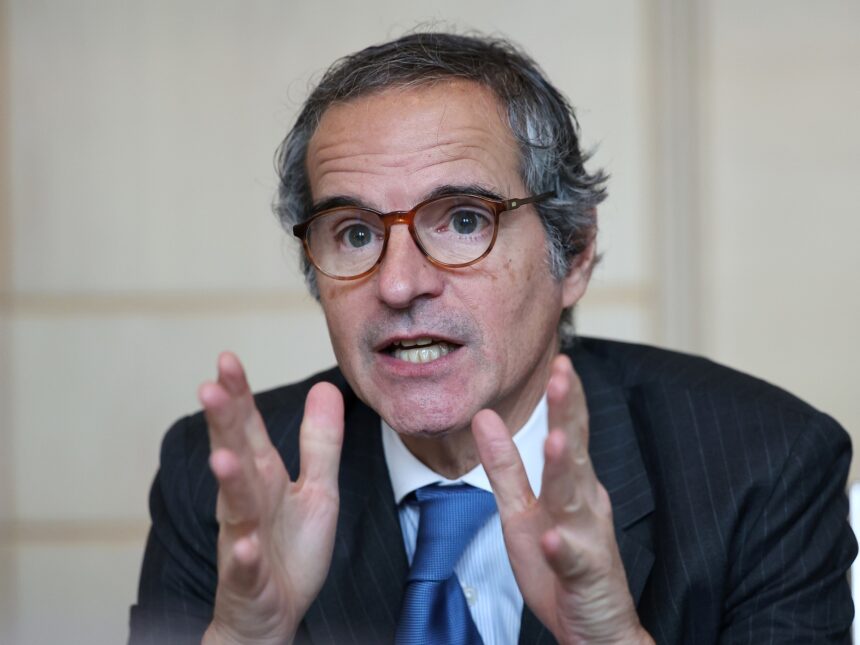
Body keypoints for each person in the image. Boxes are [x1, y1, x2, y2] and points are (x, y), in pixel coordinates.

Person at [128, 32, 856, 644]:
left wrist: (610, 637)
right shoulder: (220, 482)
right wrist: (245, 636)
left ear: (573, 253)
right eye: (354, 233)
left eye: (464, 220)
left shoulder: (763, 467)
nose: (399, 284)